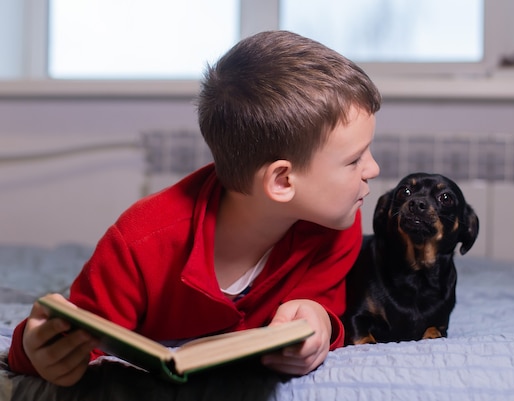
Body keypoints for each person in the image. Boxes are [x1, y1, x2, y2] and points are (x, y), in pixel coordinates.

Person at [8, 30, 381, 387]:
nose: (373, 170)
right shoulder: (139, 244)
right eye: (354, 160)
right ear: (282, 181)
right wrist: (33, 349)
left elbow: (323, 299)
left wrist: (319, 322)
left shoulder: (338, 221)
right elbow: (74, 334)